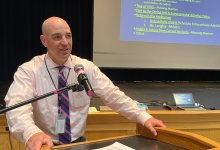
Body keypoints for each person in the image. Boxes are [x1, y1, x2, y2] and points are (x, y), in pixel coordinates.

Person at [4, 16, 166, 150]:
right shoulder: (29, 70)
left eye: (68, 36)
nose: (65, 42)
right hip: (44, 144)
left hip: (79, 143)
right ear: (44, 41)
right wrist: (31, 133)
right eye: (57, 37)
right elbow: (17, 106)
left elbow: (113, 95)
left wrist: (143, 117)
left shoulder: (85, 68)